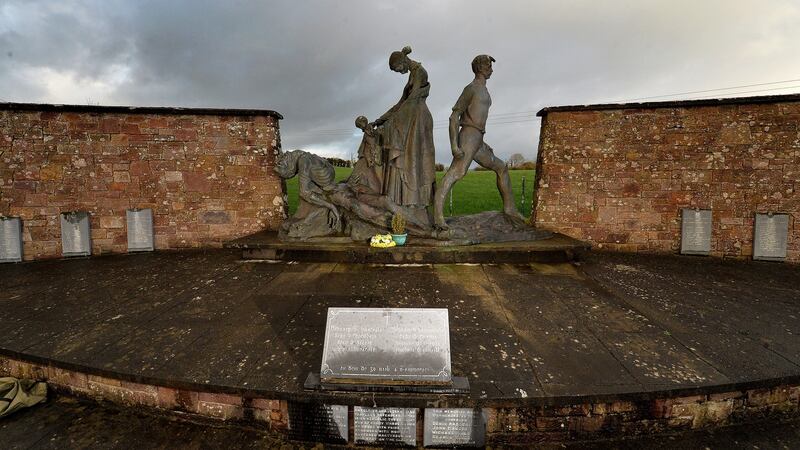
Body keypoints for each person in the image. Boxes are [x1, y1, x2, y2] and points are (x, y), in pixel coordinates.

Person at [432, 54, 525, 230]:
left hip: (478, 138)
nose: (492, 70)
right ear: (480, 68)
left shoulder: (484, 90)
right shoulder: (471, 89)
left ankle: (510, 210)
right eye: (489, 66)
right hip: (468, 137)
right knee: (456, 173)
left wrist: (482, 140)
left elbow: (478, 118)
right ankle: (437, 217)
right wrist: (454, 146)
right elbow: (454, 117)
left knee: (501, 168)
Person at [372, 46, 436, 214]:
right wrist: (380, 120)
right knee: (409, 158)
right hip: (410, 116)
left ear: (402, 61)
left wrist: (391, 122)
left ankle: (416, 201)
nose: (399, 72)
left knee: (415, 158)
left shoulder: (420, 72)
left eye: (398, 69)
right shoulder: (412, 74)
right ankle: (407, 200)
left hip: (418, 119)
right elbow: (401, 103)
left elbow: (412, 99)